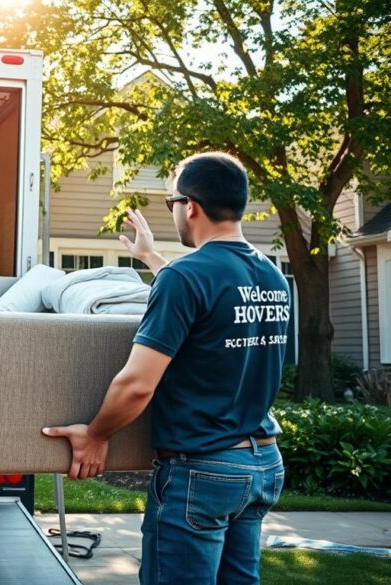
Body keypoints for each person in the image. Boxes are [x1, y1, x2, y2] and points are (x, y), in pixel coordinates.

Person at [42, 152, 289, 585]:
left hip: (203, 470)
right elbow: (209, 302)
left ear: (190, 206)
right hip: (262, 464)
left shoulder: (188, 277)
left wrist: (96, 434)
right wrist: (152, 256)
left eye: (171, 201)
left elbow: (137, 384)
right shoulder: (272, 277)